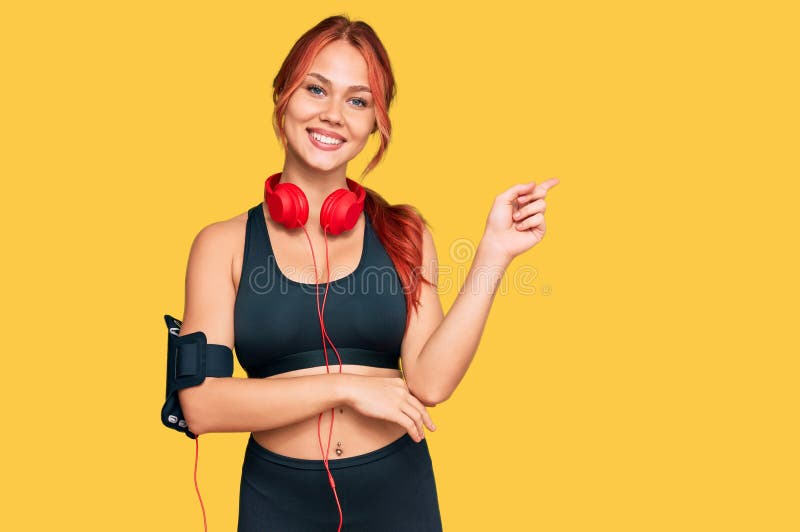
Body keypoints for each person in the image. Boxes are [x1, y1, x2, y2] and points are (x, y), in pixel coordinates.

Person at [176, 14, 559, 532]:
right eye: (316, 89)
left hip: (397, 494)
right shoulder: (221, 245)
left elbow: (430, 381)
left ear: (375, 123)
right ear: (283, 97)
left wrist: (494, 251)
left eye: (357, 101)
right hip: (278, 502)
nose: (334, 115)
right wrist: (347, 387)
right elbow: (200, 404)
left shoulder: (405, 231)